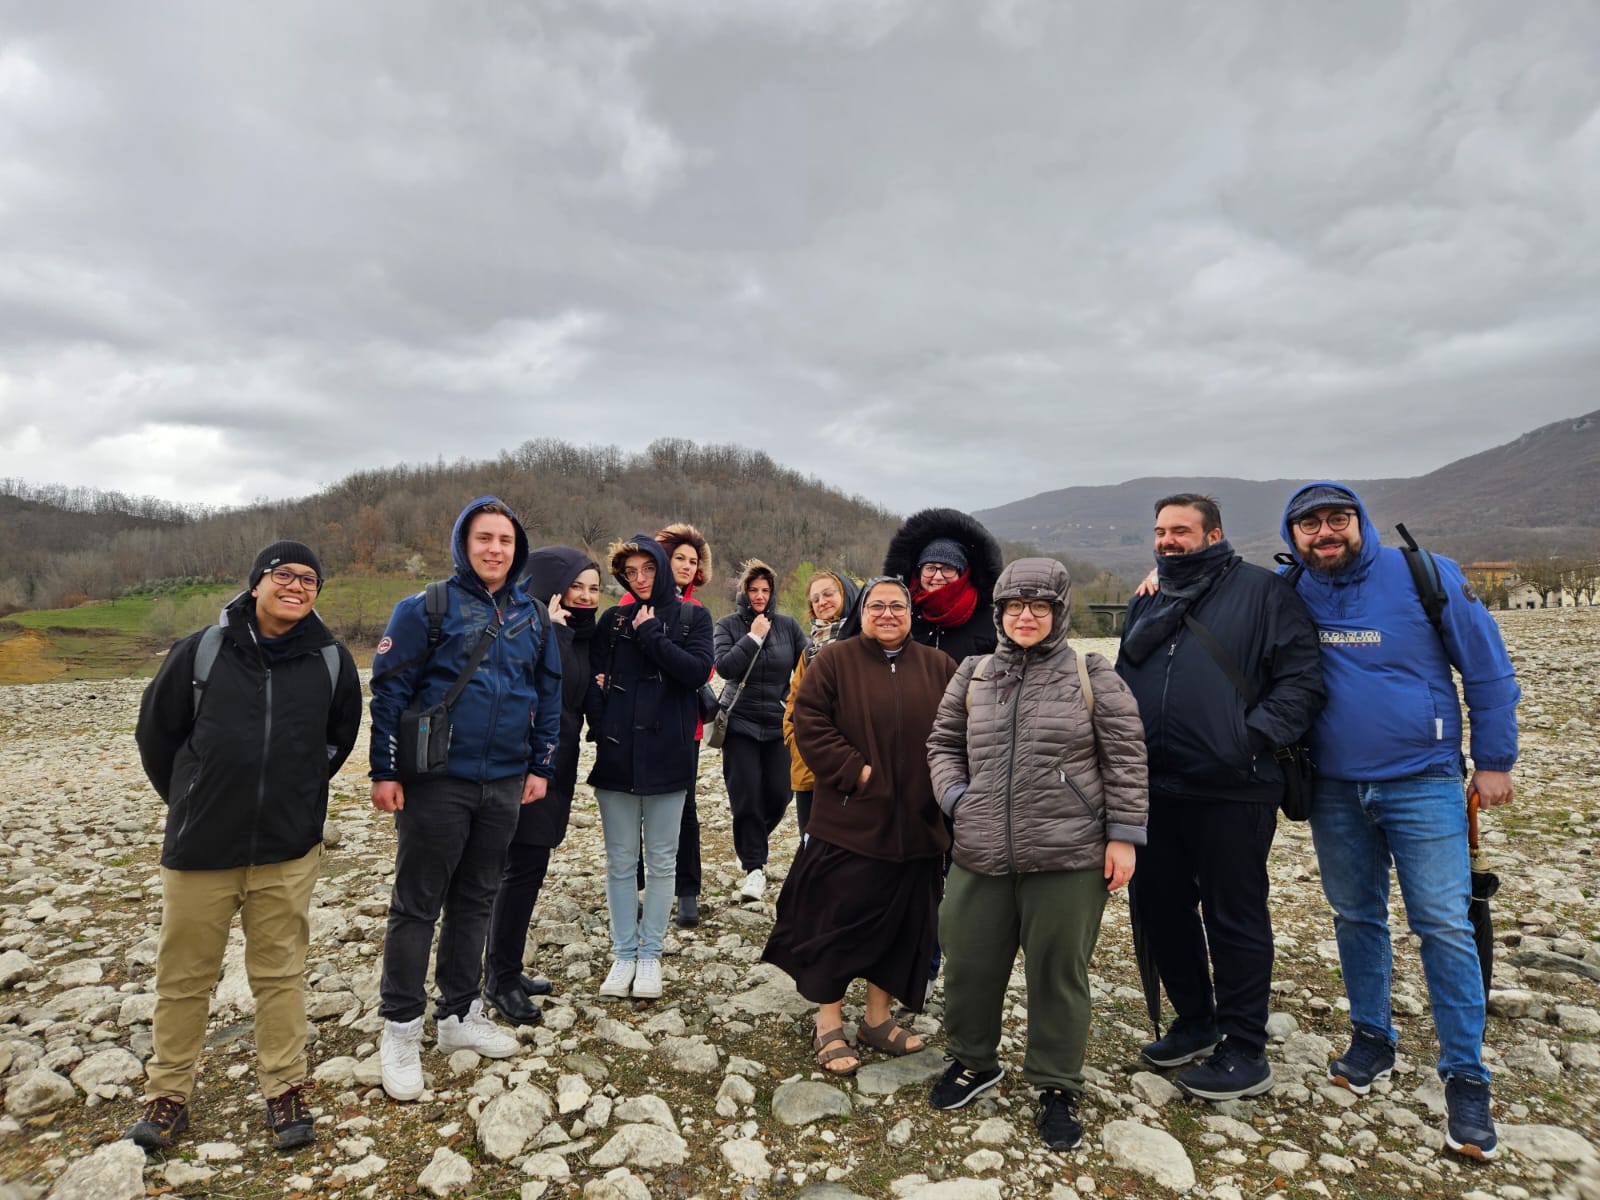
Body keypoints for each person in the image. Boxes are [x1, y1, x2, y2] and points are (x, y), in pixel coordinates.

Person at [1281, 482, 1520, 1160]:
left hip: (1424, 780)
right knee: (1355, 916)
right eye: (1309, 524)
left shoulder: (1424, 574)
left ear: (1360, 521)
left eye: (1338, 519)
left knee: (1442, 924)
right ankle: (1371, 1038)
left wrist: (1494, 760)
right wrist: (1162, 576)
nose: (1325, 533)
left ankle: (1466, 1076)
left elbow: (1488, 671)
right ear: (1292, 535)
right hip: (1332, 786)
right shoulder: (1290, 589)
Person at [128, 540, 362, 1152]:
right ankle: (168, 1094)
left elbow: (337, 741)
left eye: (309, 578)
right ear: (256, 583)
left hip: (286, 850)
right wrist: (191, 797)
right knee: (184, 976)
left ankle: (284, 1087)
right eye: (283, 574)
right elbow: (157, 736)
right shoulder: (201, 650)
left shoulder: (331, 661)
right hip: (201, 848)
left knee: (281, 974)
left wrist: (297, 796)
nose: (296, 585)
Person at [925, 558, 1147, 1150]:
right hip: (979, 849)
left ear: (1058, 612)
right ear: (999, 613)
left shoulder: (1091, 674)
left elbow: (1126, 758)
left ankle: (1056, 1084)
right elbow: (942, 743)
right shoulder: (973, 673)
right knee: (968, 960)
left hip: (1068, 854)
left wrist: (1124, 835)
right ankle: (973, 1060)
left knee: (1058, 972)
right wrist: (957, 798)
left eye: (1040, 606)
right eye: (1015, 607)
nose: (1027, 616)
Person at [1115, 493, 1324, 1101]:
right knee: (1161, 907)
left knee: (1235, 915)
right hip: (1155, 785)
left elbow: (1303, 682)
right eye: (1160, 531)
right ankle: (1195, 1021)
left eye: (1180, 530)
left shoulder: (1264, 593)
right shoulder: (1149, 597)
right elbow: (1126, 675)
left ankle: (1244, 1048)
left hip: (1235, 785)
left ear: (1213, 535)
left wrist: (1244, 740)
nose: (1167, 540)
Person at [369, 497, 563, 1102]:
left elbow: (547, 694)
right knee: (417, 904)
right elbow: (389, 693)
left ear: (517, 549)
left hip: (504, 780)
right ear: (463, 543)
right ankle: (401, 1027)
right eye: (484, 538)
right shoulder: (425, 608)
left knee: (478, 897)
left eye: (505, 540)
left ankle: (458, 1012)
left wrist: (541, 764)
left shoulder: (532, 616)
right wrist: (385, 770)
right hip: (437, 780)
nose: (495, 549)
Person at [763, 577, 958, 1076]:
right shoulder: (834, 660)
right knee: (835, 921)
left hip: (917, 825)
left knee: (900, 927)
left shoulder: (939, 666)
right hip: (849, 819)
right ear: (862, 611)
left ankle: (877, 1019)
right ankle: (828, 1022)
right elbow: (808, 720)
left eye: (898, 606)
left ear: (911, 614)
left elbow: (961, 731)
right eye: (877, 605)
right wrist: (857, 773)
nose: (888, 613)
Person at [586, 534, 715, 999]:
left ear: (661, 567)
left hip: (669, 757)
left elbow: (697, 672)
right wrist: (602, 724)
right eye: (631, 572)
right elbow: (591, 682)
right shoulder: (612, 620)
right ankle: (623, 954)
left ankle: (650, 956)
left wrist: (652, 635)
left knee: (661, 863)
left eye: (648, 569)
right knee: (621, 862)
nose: (640, 579)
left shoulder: (693, 617)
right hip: (617, 758)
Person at [482, 547, 600, 1026]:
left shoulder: (578, 634)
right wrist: (554, 633)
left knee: (525, 870)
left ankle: (504, 968)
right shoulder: (527, 628)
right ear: (552, 587)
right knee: (519, 871)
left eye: (594, 588)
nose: (586, 596)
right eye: (576, 587)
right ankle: (500, 980)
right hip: (523, 767)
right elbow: (539, 688)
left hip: (556, 766)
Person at [620, 524, 714, 929]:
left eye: (693, 561)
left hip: (684, 726)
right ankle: (638, 888)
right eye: (679, 558)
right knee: (638, 806)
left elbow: (703, 670)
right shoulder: (630, 603)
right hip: (637, 725)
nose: (687, 566)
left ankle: (686, 891)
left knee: (685, 808)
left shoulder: (695, 612)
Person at [714, 559, 806, 900]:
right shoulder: (727, 625)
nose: (759, 596)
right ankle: (755, 867)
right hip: (739, 724)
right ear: (742, 592)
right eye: (752, 590)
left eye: (765, 590)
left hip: (779, 724)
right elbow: (724, 668)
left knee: (781, 795)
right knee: (747, 797)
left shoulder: (789, 626)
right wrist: (753, 637)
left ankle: (752, 842)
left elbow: (806, 668)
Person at [783, 570, 860, 837]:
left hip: (852, 765)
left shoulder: (864, 642)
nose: (821, 602)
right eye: (815, 599)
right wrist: (793, 739)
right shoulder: (810, 649)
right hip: (808, 764)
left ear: (847, 595)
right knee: (811, 844)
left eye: (828, 594)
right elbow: (794, 700)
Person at [883, 507, 1003, 663]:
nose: (938, 577)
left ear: (962, 574)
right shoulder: (899, 616)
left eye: (948, 569)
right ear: (918, 573)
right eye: (930, 568)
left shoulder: (991, 622)